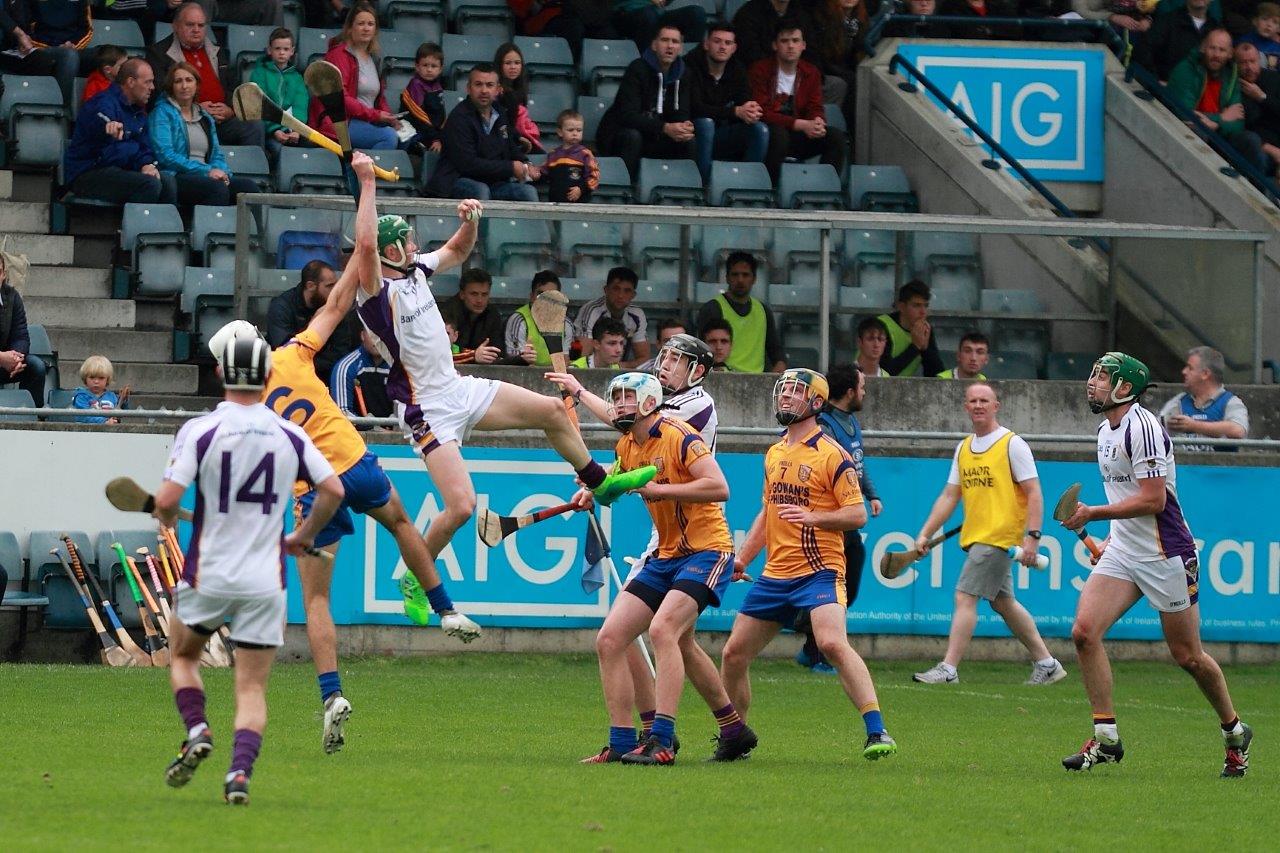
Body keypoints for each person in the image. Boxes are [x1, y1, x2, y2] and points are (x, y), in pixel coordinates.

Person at [221, 156, 481, 756]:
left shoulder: (238, 410)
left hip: (311, 490)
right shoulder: (290, 354)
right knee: (399, 521)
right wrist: (361, 194)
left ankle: (330, 693)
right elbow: (339, 301)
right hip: (354, 461)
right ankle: (443, 608)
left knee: (314, 599)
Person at [354, 197, 656, 570]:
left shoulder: (417, 270)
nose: (415, 245)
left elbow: (458, 249)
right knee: (462, 506)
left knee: (551, 410)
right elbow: (365, 246)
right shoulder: (373, 293)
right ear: (389, 250)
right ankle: (416, 578)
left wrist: (471, 221)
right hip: (425, 408)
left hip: (457, 388)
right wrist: (367, 183)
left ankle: (600, 482)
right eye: (407, 240)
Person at [154, 327, 343, 805]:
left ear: (221, 373)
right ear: (265, 376)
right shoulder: (290, 433)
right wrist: (303, 535)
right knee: (252, 686)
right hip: (265, 580)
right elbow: (334, 491)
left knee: (181, 656)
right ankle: (239, 774)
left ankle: (197, 727)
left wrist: (164, 510)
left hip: (208, 573)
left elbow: (169, 503)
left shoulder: (199, 429)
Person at [1059, 352, 1251, 777]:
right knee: (1084, 633)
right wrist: (1111, 536)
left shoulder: (1144, 429)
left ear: (1124, 388)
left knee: (1188, 657)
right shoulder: (1104, 430)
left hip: (1167, 554)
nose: (1091, 382)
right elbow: (1122, 496)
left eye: (1101, 376)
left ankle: (1234, 731)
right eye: (1093, 374)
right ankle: (1106, 737)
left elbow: (1153, 500)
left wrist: (1093, 515)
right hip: (1125, 551)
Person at [549, 331, 718, 753]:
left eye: (677, 360)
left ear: (696, 371)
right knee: (621, 637)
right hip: (663, 536)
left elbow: (633, 425)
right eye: (665, 356)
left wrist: (579, 393)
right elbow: (629, 449)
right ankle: (639, 738)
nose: (665, 364)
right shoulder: (634, 434)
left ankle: (663, 736)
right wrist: (597, 485)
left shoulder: (691, 408)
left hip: (699, 535)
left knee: (668, 634)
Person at [719, 369, 897, 762]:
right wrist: (742, 558)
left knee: (832, 643)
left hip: (820, 568)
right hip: (776, 573)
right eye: (782, 392)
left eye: (795, 393)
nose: (785, 399)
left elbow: (856, 515)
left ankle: (876, 731)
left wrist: (816, 517)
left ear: (817, 403)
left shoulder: (833, 454)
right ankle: (735, 737)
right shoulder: (775, 451)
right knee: (733, 654)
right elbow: (768, 513)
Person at [569, 372, 740, 765]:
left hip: (707, 551)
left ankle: (661, 740)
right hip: (665, 556)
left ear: (649, 402)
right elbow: (612, 485)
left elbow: (719, 487)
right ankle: (623, 740)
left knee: (664, 630)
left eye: (627, 398)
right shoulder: (627, 444)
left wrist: (661, 489)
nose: (619, 405)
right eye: (616, 398)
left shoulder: (679, 434)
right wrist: (589, 492)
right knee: (610, 638)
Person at [910, 382, 1066, 685]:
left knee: (964, 596)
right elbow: (949, 496)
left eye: (985, 400)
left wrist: (1032, 537)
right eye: (973, 401)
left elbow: (1034, 492)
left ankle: (948, 669)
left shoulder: (1012, 444)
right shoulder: (964, 448)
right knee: (1002, 602)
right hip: (978, 537)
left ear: (996, 406)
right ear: (966, 407)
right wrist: (925, 533)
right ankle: (1047, 664)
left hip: (999, 537)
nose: (978, 405)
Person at [795, 363, 881, 673]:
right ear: (849, 392)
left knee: (847, 578)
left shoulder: (850, 422)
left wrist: (871, 495)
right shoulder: (824, 425)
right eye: (862, 386)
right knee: (831, 584)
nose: (864, 391)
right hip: (828, 517)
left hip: (845, 514)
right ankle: (817, 649)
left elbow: (858, 464)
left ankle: (811, 644)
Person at [148, 3, 267, 148]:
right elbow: (160, 95)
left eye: (201, 25)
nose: (196, 30)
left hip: (222, 120)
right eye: (190, 25)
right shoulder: (158, 54)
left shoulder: (219, 51)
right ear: (175, 26)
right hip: (187, 120)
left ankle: (253, 169)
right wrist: (194, 109)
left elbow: (233, 87)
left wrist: (231, 110)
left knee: (254, 125)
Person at [148, 62, 262, 207]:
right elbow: (166, 156)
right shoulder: (162, 113)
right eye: (178, 81)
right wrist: (207, 171)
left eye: (189, 80)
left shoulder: (205, 117)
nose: (184, 86)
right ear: (171, 87)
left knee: (248, 188)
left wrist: (224, 173)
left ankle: (255, 230)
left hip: (207, 175)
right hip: (178, 175)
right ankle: (213, 229)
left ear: (196, 85)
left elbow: (216, 154)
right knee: (216, 188)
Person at [64, 59, 175, 205]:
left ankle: (164, 228)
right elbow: (110, 147)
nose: (152, 87)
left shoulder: (138, 112)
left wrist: (147, 164)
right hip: (88, 172)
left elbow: (144, 148)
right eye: (147, 82)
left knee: (167, 182)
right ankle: (133, 227)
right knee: (149, 184)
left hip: (119, 169)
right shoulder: (103, 103)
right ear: (130, 82)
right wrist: (109, 126)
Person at [596, 24, 697, 181]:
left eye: (675, 42)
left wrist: (683, 126)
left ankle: (685, 190)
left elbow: (681, 112)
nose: (670, 46)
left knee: (688, 140)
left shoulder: (684, 74)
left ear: (681, 48)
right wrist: (665, 127)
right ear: (654, 45)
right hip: (620, 135)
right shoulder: (637, 68)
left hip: (655, 136)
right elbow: (627, 116)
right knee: (633, 136)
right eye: (664, 40)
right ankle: (625, 189)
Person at [749, 21, 847, 182]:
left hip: (797, 134)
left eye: (795, 41)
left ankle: (824, 189)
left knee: (836, 138)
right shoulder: (760, 70)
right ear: (775, 45)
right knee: (779, 135)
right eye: (784, 41)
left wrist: (817, 122)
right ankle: (771, 189)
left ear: (803, 45)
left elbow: (815, 105)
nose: (790, 46)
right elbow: (762, 112)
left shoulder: (811, 72)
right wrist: (801, 124)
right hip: (768, 133)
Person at [425, 63, 540, 201]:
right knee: (480, 190)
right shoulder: (459, 118)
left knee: (527, 192)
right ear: (468, 88)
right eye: (478, 84)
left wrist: (527, 164)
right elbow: (467, 164)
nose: (484, 90)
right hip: (457, 180)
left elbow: (510, 147)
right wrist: (510, 167)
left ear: (498, 90)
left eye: (489, 85)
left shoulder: (501, 113)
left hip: (494, 182)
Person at [1167, 28, 1267, 174]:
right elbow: (1185, 115)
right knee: (1199, 130)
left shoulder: (1231, 74)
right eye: (1212, 48)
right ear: (1203, 48)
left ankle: (1256, 194)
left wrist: (1215, 124)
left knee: (1250, 139)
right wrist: (1221, 118)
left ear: (1230, 53)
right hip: (1188, 135)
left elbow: (1238, 122)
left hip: (1219, 136)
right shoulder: (1186, 70)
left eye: (1222, 50)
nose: (1216, 55)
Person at [685, 21, 769, 184]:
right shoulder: (689, 65)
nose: (722, 47)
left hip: (721, 133)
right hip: (693, 134)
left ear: (734, 48)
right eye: (717, 41)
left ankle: (746, 185)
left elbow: (745, 101)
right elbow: (695, 107)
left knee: (760, 129)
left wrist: (751, 111)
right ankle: (704, 185)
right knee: (705, 123)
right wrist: (735, 112)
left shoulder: (737, 69)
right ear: (706, 44)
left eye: (728, 43)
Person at [312, 3, 402, 151]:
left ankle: (356, 167)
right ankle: (361, 172)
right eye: (361, 24)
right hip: (341, 121)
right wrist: (376, 115)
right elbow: (341, 97)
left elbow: (379, 98)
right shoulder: (338, 55)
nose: (366, 28)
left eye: (370, 24)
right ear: (349, 28)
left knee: (403, 137)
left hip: (367, 120)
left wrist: (391, 119)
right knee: (388, 137)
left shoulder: (375, 58)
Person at [266, 260, 361, 383]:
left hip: (322, 378)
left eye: (335, 285)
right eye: (329, 286)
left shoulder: (333, 309)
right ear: (310, 286)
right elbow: (284, 350)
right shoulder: (281, 307)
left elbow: (340, 352)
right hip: (287, 377)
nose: (334, 291)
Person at [694, 252, 786, 373]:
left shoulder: (763, 311)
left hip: (757, 384)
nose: (740, 280)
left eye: (745, 275)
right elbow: (701, 352)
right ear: (727, 277)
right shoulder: (712, 309)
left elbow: (777, 354)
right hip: (721, 379)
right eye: (735, 275)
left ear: (754, 279)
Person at [1158, 345, 1250, 452]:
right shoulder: (1179, 402)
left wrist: (1193, 426)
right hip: (1183, 467)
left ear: (1205, 374)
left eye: (1190, 368)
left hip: (1220, 467)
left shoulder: (1230, 402)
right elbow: (1153, 430)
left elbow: (1238, 431)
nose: (1184, 371)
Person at [1, 0, 92, 104]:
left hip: (74, 46)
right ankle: (61, 107)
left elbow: (86, 29)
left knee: (104, 55)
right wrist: (56, 47)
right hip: (42, 46)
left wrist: (73, 45)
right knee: (68, 56)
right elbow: (27, 29)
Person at [249, 28, 311, 160]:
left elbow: (300, 105)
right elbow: (259, 105)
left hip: (293, 131)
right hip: (269, 132)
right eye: (277, 49)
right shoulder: (259, 74)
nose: (282, 53)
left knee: (312, 149)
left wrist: (297, 130)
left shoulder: (297, 78)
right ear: (269, 50)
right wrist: (274, 129)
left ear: (292, 51)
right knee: (280, 151)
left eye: (286, 49)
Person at [573, 266, 650, 367]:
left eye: (627, 291)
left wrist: (617, 367)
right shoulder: (592, 310)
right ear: (606, 290)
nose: (620, 295)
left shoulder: (637, 315)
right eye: (616, 289)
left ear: (633, 295)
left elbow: (644, 360)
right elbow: (582, 358)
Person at [810, 0, 868, 129]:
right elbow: (821, 58)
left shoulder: (860, 21)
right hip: (825, 70)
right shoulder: (821, 18)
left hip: (847, 72)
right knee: (851, 82)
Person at [0, 253, 48, 407]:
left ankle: (32, 420)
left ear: (4, 274)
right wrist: (2, 358)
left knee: (36, 367)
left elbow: (21, 336)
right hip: (2, 359)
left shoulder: (12, 296)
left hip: (6, 363)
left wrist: (15, 360)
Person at [1133, 0, 1220, 82]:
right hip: (1160, 90)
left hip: (1194, 94)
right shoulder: (1167, 21)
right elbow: (1143, 51)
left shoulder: (1215, 32)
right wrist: (1156, 81)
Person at [505, 270, 574, 367]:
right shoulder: (519, 320)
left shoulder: (566, 323)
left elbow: (564, 361)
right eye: (540, 294)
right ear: (531, 296)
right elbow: (515, 363)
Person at [436, 269, 504, 363]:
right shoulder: (447, 313)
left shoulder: (493, 314)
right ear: (462, 294)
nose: (479, 300)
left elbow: (497, 351)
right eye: (474, 294)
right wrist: (473, 355)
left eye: (484, 294)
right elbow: (441, 353)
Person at [878, 279, 943, 377]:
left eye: (926, 306)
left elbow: (936, 377)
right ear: (902, 307)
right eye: (917, 305)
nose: (923, 312)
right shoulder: (881, 326)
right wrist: (915, 347)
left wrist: (925, 350)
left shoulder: (924, 329)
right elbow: (883, 373)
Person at [1234, 42, 1280, 172]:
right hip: (1258, 149)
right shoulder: (1233, 85)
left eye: (1252, 61)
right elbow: (1245, 125)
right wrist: (1269, 148)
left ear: (1259, 60)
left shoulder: (1274, 79)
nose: (1249, 67)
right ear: (1236, 64)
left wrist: (1261, 97)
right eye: (1243, 62)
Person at [731, 0, 816, 69]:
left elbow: (811, 50)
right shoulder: (749, 13)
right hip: (760, 76)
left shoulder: (801, 14)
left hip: (798, 74)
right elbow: (749, 53)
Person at [330, 328, 392, 422]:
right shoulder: (346, 367)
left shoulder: (399, 368)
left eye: (383, 333)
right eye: (373, 333)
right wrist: (369, 425)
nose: (378, 339)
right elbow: (342, 413)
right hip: (355, 434)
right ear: (362, 335)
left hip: (396, 434)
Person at [496, 41, 542, 154]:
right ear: (499, 65)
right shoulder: (497, 91)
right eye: (508, 63)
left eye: (517, 63)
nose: (513, 67)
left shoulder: (520, 90)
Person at [544, 110, 599, 202]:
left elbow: (594, 176)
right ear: (560, 132)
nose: (575, 133)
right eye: (570, 130)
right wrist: (535, 173)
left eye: (579, 130)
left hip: (579, 203)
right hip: (555, 203)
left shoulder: (586, 154)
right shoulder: (553, 154)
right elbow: (544, 172)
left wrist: (581, 189)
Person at [401, 41, 446, 155]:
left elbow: (440, 114)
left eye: (434, 66)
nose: (429, 70)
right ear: (417, 66)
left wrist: (441, 135)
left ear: (440, 69)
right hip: (416, 131)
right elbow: (419, 116)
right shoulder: (416, 84)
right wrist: (435, 138)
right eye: (425, 65)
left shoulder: (437, 85)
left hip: (432, 132)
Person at [613, 0, 707, 51]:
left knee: (697, 13)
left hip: (657, 14)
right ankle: (649, 64)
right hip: (627, 14)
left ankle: (689, 59)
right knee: (649, 15)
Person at [71, 355, 122, 424]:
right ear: (85, 378)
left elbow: (122, 413)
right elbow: (83, 417)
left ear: (107, 379)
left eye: (101, 378)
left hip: (108, 433)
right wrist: (104, 422)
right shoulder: (81, 396)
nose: (96, 381)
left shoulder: (112, 396)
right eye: (92, 377)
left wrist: (123, 399)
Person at [1239, 3, 1280, 70]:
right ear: (1255, 21)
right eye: (1265, 19)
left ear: (1278, 28)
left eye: (1274, 22)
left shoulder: (1278, 48)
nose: (1269, 24)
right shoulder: (1244, 42)